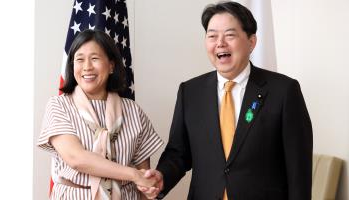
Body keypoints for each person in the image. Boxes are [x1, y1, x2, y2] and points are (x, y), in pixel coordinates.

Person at [139, 1, 313, 200]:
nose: (220, 43)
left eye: (230, 35)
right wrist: (162, 176)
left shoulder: (283, 91)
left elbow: (299, 169)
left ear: (251, 42)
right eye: (212, 36)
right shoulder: (190, 92)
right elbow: (178, 153)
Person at [37, 29, 163, 200]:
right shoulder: (59, 106)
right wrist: (133, 174)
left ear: (111, 65)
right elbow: (76, 158)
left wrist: (145, 183)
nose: (87, 67)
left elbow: (144, 181)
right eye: (79, 59)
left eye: (95, 58)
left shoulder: (134, 111)